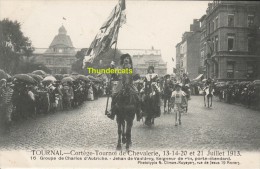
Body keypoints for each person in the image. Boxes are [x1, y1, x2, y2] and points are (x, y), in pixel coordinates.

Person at [107, 54, 141, 121]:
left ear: (129, 60)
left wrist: (136, 76)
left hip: (130, 85)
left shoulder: (132, 68)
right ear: (123, 60)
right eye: (125, 58)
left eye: (128, 58)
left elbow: (136, 76)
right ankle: (112, 112)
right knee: (114, 96)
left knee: (137, 97)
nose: (126, 59)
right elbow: (114, 76)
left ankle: (139, 113)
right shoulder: (119, 68)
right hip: (120, 86)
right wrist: (112, 68)